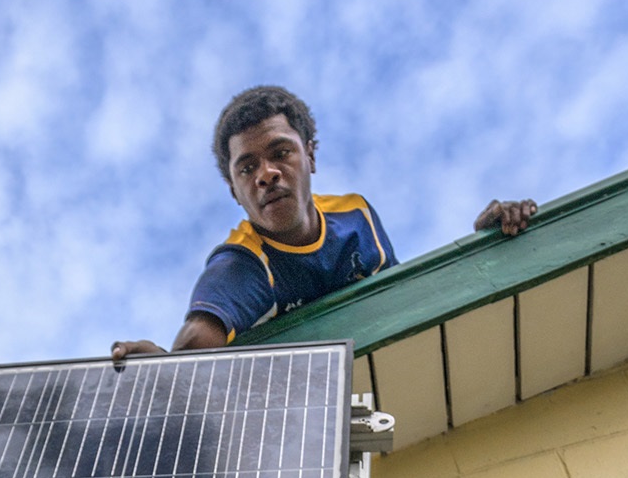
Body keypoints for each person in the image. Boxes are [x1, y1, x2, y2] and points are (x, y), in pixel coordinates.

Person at [110, 81, 537, 357]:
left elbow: (402, 307)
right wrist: (162, 370)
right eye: (246, 168)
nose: (266, 175)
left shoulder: (357, 218)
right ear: (234, 192)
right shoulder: (241, 265)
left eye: (280, 153)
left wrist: (484, 247)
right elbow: (195, 347)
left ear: (310, 154)